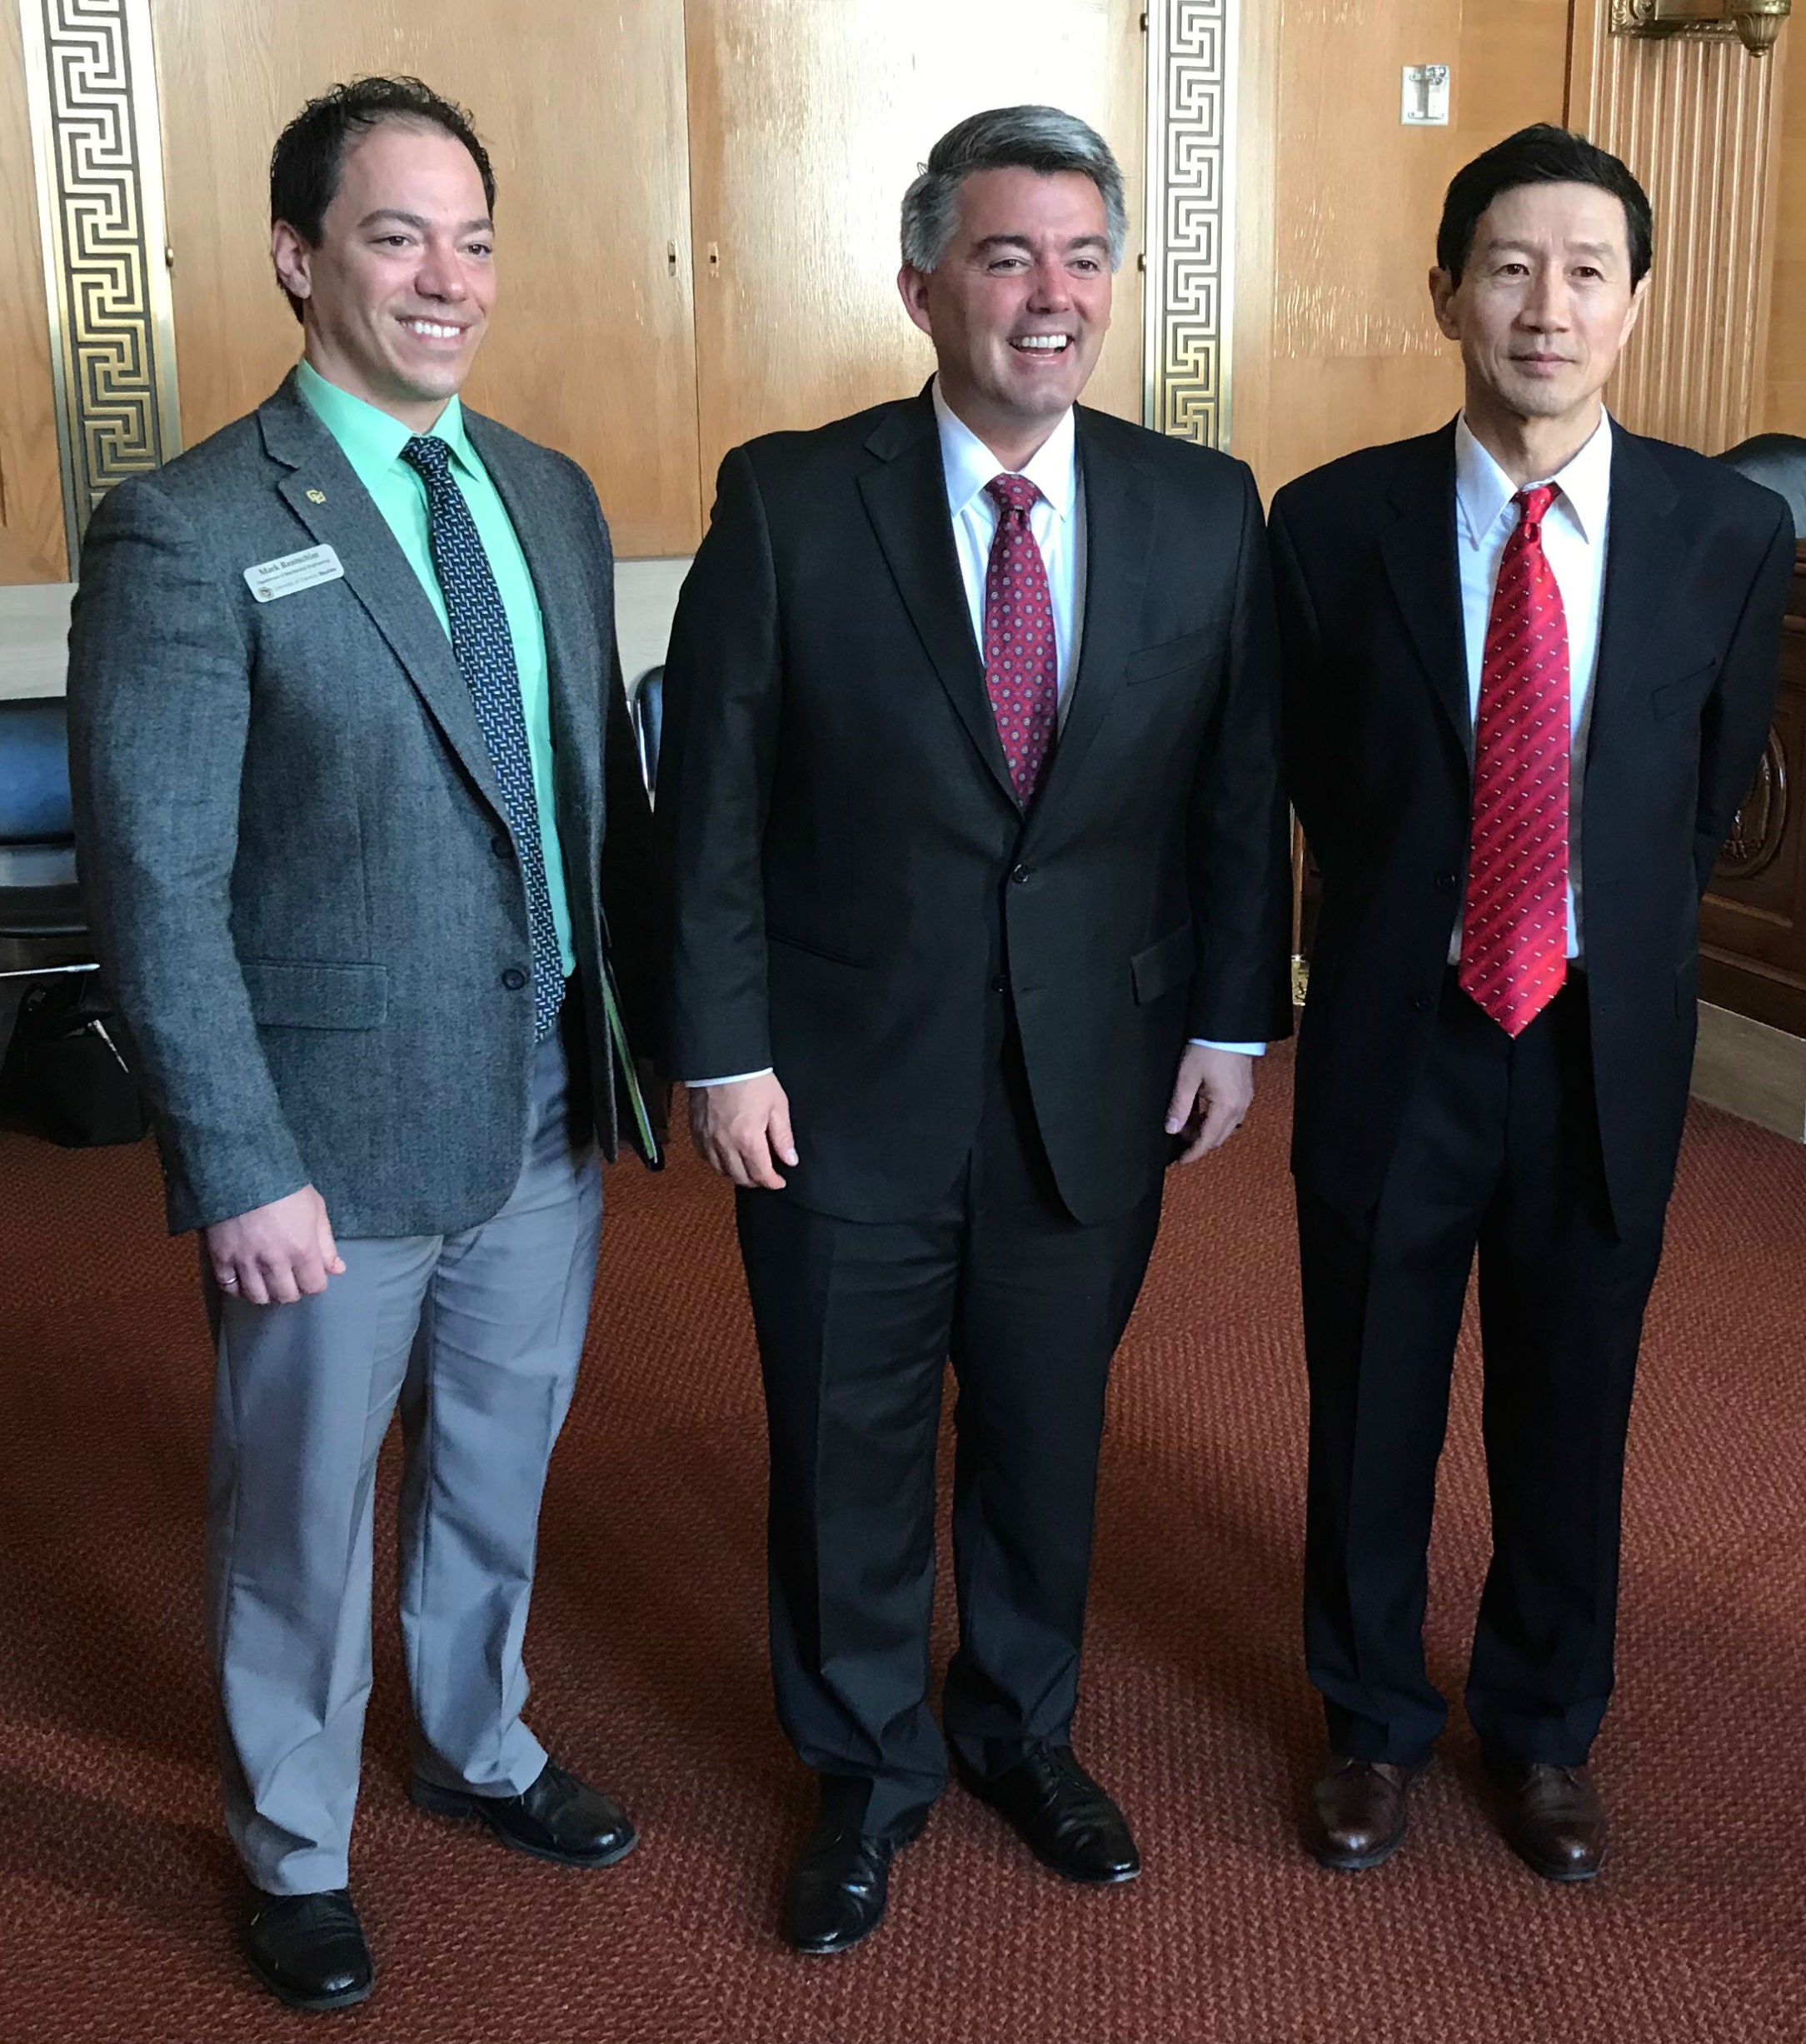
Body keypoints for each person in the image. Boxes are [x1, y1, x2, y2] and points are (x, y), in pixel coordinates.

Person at [656, 104, 1291, 1954]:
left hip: (1095, 1081)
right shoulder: (790, 495)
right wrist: (723, 1047)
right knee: (845, 1446)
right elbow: (712, 802)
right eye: (1008, 256)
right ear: (923, 278)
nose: (1051, 296)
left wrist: (1234, 1020)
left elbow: (1234, 800)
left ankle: (1021, 1730)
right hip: (840, 1086)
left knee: (1044, 1432)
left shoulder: (1200, 504)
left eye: (1085, 257)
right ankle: (864, 1768)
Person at [66, 77, 661, 2014]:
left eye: (472, 237)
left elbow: (585, 814)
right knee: (297, 1522)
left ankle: (476, 1744)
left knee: (497, 1475)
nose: (446, 278)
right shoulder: (190, 525)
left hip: (543, 1108)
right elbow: (156, 881)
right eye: (397, 235)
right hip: (324, 1142)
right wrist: (236, 1162)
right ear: (297, 259)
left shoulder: (550, 495)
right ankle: (296, 1844)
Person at [1270, 124, 1793, 1883]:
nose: (1544, 306)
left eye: (1584, 271)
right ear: (1444, 294)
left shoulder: (1729, 531)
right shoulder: (1331, 521)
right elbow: (1319, 781)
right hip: (1396, 1026)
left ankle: (1544, 1729)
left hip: (1597, 1036)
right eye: (1507, 267)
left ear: (1635, 304)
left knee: (1575, 1396)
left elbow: (1702, 793)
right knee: (1372, 1391)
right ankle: (1368, 1719)